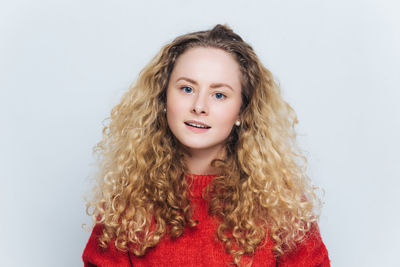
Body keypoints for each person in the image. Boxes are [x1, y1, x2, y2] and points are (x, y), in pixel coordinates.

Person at [82, 24, 330, 267]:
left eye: (219, 94)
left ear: (242, 110)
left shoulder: (279, 204)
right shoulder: (126, 202)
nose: (199, 106)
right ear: (163, 98)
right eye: (187, 89)